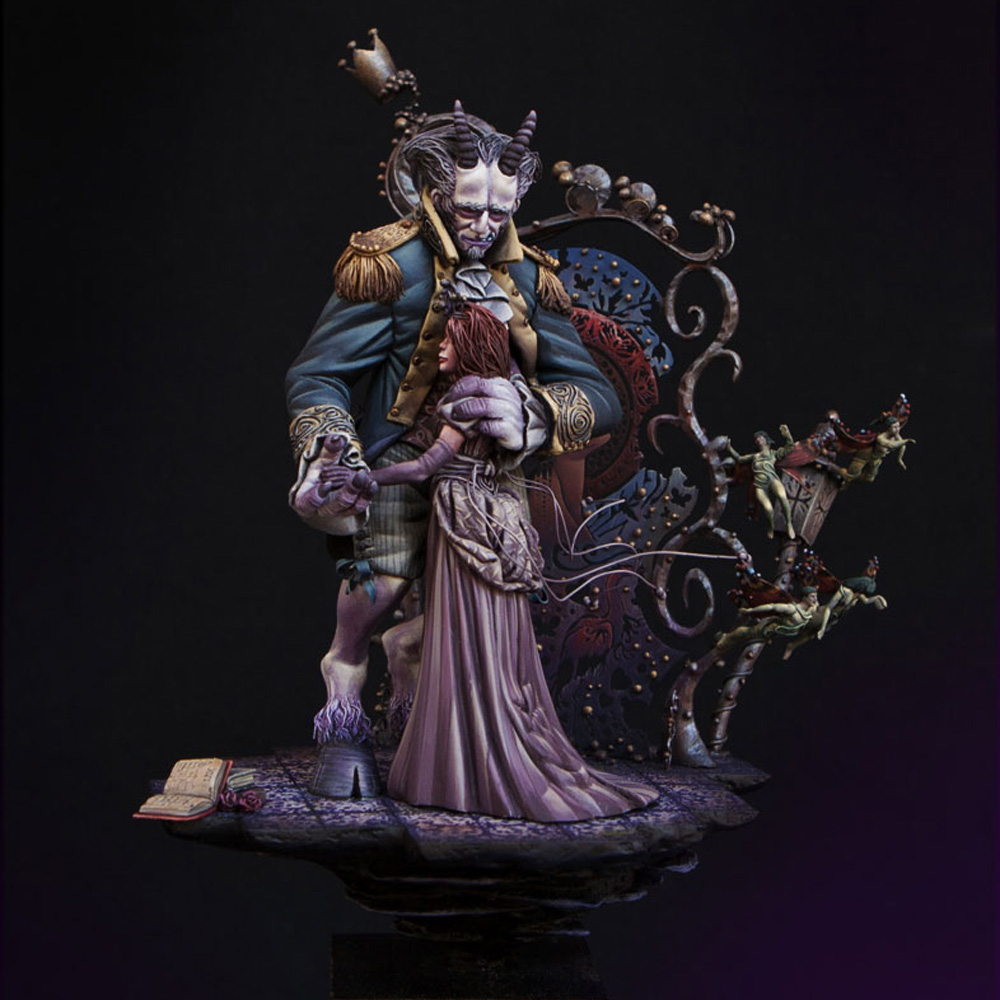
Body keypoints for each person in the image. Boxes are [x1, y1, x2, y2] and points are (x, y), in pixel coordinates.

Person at [285, 102, 622, 796]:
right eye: (470, 209)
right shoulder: (388, 265)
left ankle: (440, 742)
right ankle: (343, 705)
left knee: (476, 614)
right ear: (434, 191)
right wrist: (332, 446)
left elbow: (597, 392)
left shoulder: (528, 277)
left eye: (501, 212)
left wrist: (534, 412)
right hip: (397, 460)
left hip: (488, 478)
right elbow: (317, 374)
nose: (484, 227)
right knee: (377, 589)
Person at [363, 300, 657, 821]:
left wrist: (370, 476)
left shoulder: (465, 395)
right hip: (498, 511)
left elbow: (427, 466)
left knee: (464, 627)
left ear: (470, 343)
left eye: (450, 339)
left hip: (461, 513)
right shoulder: (502, 385)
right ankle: (480, 749)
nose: (441, 346)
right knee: (487, 627)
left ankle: (469, 765)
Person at [727, 425, 798, 540]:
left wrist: (787, 435)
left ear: (766, 439)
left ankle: (789, 524)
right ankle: (771, 527)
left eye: (760, 437)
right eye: (756, 439)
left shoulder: (774, 453)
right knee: (768, 508)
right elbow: (739, 459)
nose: (758, 440)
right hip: (760, 485)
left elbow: (790, 447)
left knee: (782, 497)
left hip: (773, 479)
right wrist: (729, 447)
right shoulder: (754, 456)